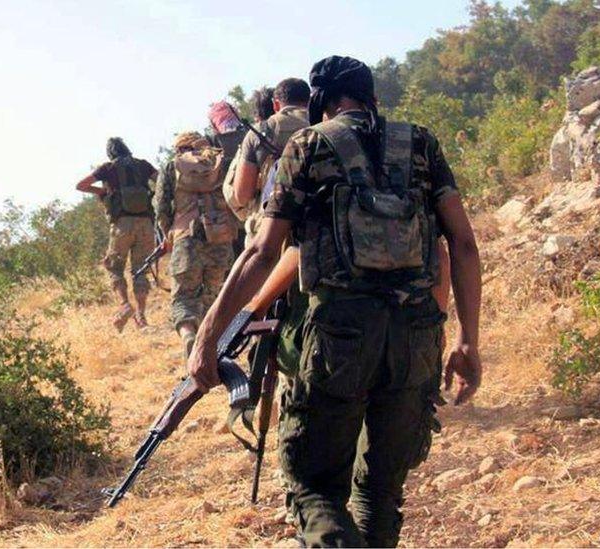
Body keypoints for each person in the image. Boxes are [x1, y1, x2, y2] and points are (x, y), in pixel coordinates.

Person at [186, 56, 482, 547]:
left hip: (339, 339)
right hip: (417, 337)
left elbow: (262, 250)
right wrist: (468, 340)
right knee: (381, 495)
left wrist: (209, 335)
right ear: (373, 98)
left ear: (321, 103)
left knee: (313, 489)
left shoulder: (309, 145)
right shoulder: (422, 144)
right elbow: (464, 245)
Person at [154, 131, 237, 357]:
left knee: (183, 299)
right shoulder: (222, 162)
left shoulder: (172, 167)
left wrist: (168, 234)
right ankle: (210, 349)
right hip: (220, 237)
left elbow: (161, 208)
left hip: (186, 238)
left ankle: (189, 336)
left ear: (179, 149)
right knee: (213, 295)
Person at [75, 137, 158, 331]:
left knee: (114, 267)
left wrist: (104, 192)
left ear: (110, 153)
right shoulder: (143, 165)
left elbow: (81, 185)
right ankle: (142, 316)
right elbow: (162, 180)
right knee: (140, 270)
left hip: (122, 224)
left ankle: (125, 305)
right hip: (146, 224)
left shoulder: (107, 168)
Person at [231, 78, 311, 245]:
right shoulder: (324, 126)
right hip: (313, 228)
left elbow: (242, 195)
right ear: (309, 101)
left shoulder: (261, 131)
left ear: (275, 104)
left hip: (269, 232)